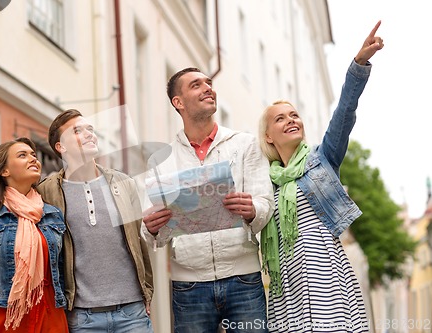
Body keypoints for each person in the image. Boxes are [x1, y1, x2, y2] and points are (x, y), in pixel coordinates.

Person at [258, 21, 384, 332]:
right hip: (286, 285)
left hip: (326, 276)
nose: (291, 120)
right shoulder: (262, 180)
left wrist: (358, 65)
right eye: (280, 118)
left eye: (294, 115)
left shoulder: (322, 159)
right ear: (268, 136)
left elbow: (344, 112)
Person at [142, 67, 274, 332]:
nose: (208, 88)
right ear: (178, 102)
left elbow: (265, 203)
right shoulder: (161, 160)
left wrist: (252, 210)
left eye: (209, 83)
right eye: (196, 85)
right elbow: (151, 232)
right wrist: (151, 226)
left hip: (244, 279)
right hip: (188, 285)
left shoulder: (245, 145)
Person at [37, 109, 154, 333]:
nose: (90, 134)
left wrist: (147, 291)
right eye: (78, 131)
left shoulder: (123, 183)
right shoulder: (46, 191)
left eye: (90, 129)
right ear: (60, 146)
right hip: (82, 316)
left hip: (132, 312)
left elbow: (138, 242)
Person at [0, 137, 68, 333]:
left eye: (34, 155)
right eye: (23, 155)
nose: (33, 159)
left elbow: (61, 274)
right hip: (7, 318)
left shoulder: (53, 215)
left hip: (50, 316)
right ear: (5, 171)